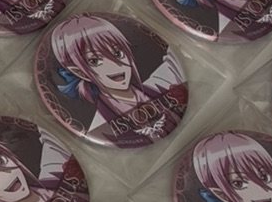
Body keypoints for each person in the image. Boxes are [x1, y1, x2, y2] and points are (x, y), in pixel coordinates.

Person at [49, 14, 186, 145]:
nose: (115, 65)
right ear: (79, 72)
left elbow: (173, 53)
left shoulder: (163, 82)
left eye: (117, 53)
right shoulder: (100, 127)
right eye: (95, 61)